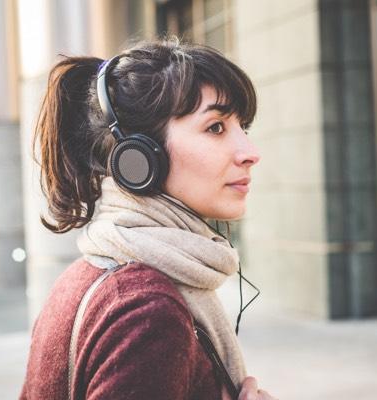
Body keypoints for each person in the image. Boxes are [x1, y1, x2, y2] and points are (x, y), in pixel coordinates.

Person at [20, 38, 277, 400]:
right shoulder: (144, 311)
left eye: (243, 128)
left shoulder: (92, 270)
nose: (250, 153)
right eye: (216, 127)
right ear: (139, 157)